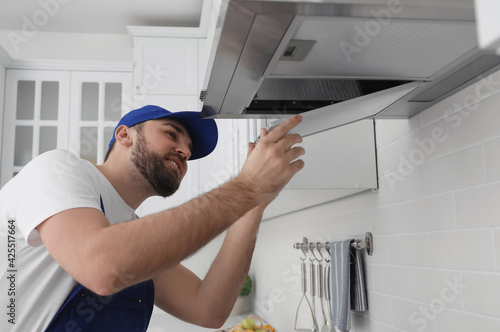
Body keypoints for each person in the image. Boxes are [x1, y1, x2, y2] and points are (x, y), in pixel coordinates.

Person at [0, 104, 304, 331]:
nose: (184, 151)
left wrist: (253, 206)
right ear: (124, 135)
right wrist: (245, 188)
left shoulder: (132, 238)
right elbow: (102, 267)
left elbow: (208, 309)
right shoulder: (58, 169)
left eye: (189, 150)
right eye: (171, 134)